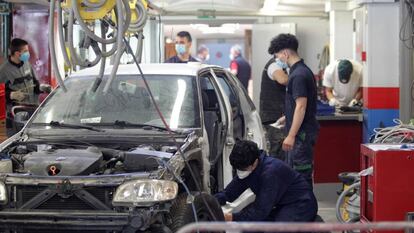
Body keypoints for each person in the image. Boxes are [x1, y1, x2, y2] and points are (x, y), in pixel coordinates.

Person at [214, 140, 318, 223]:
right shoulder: (247, 166)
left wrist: (232, 217)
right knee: (249, 226)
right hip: (281, 204)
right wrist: (211, 202)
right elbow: (229, 193)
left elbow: (260, 210)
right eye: (238, 169)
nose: (240, 172)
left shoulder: (270, 173)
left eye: (243, 169)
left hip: (301, 204)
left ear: (254, 162)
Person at [273, 34, 319, 187]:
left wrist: (291, 136)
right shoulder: (301, 71)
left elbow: (301, 106)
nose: (278, 59)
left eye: (277, 55)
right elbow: (298, 105)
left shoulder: (298, 75)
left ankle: (306, 210)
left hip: (301, 136)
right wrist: (287, 117)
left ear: (285, 53)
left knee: (301, 176)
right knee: (296, 176)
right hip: (301, 133)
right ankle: (302, 209)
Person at [0, 38, 42, 136]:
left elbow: (35, 83)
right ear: (17, 53)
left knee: (33, 141)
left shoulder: (27, 64)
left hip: (33, 110)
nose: (28, 53)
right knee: (17, 143)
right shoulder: (4, 70)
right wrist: (10, 95)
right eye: (25, 51)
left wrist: (42, 88)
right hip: (16, 113)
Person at [259, 37, 289, 161]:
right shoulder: (273, 65)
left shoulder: (279, 66)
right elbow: (283, 80)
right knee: (277, 155)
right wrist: (299, 75)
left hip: (276, 117)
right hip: (273, 119)